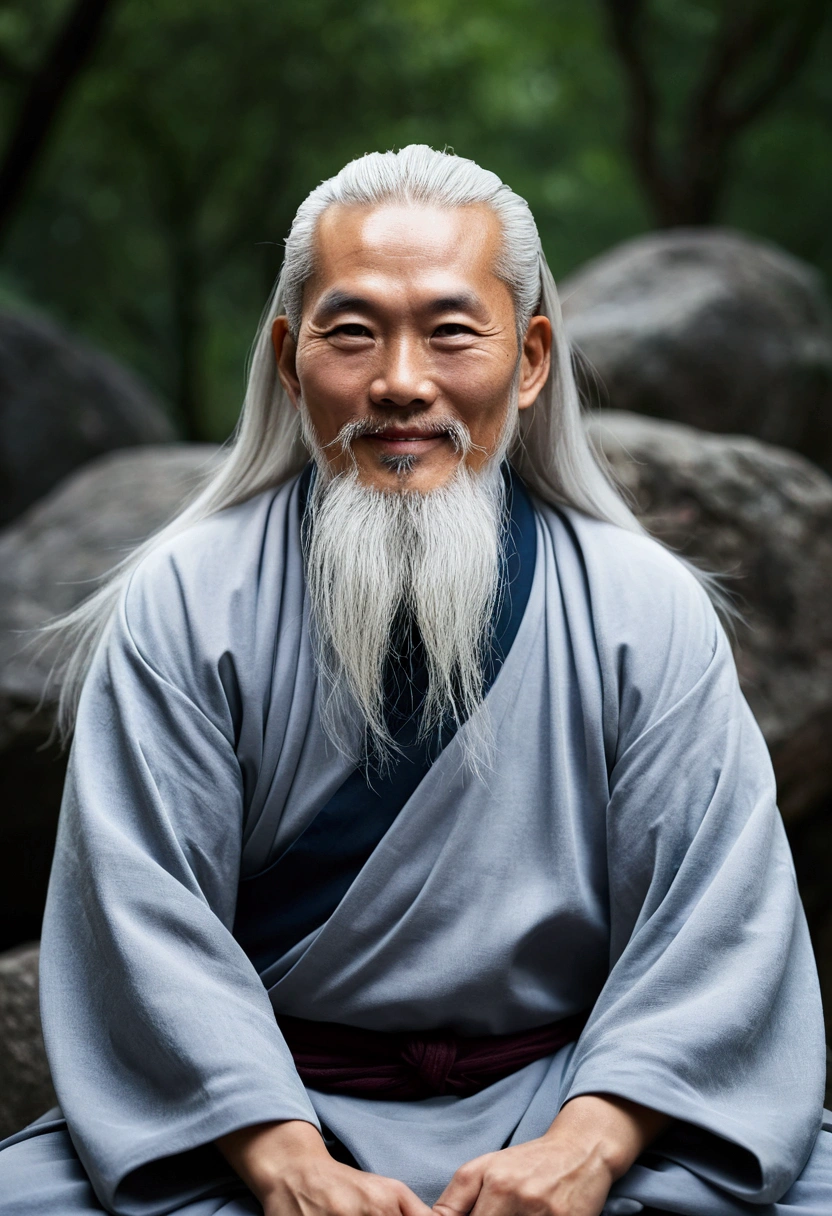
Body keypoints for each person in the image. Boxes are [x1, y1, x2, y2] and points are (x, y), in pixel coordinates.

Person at [0, 145, 829, 1216]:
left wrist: (588, 1145)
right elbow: (142, 917)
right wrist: (285, 1160)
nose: (399, 381)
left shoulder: (641, 603)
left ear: (530, 358)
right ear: (291, 358)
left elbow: (718, 922)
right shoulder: (185, 599)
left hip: (576, 1106)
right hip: (261, 1112)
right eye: (352, 332)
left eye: (449, 331)